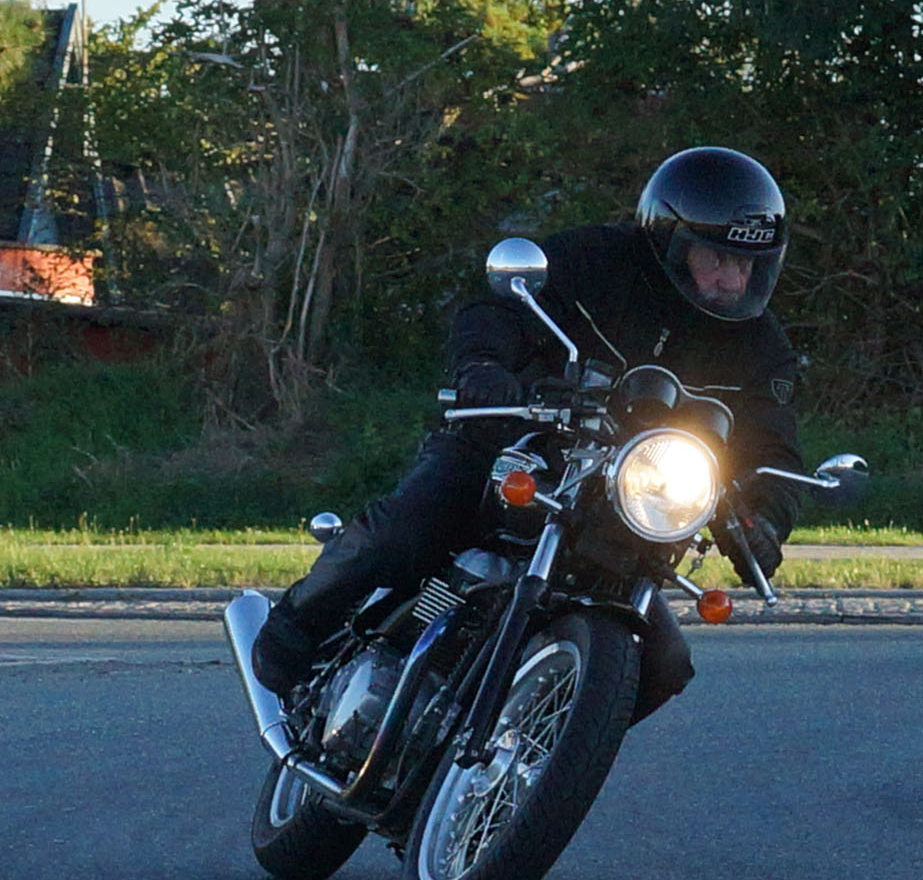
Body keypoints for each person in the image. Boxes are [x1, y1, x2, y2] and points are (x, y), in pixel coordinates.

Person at [252, 145, 807, 696]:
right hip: (515, 443)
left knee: (664, 666)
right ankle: (289, 636)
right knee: (404, 530)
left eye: (746, 265)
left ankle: (537, 736)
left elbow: (774, 447)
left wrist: (764, 520)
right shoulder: (595, 260)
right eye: (717, 260)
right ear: (671, 241)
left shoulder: (761, 348)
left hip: (631, 506)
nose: (733, 281)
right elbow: (499, 310)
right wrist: (484, 366)